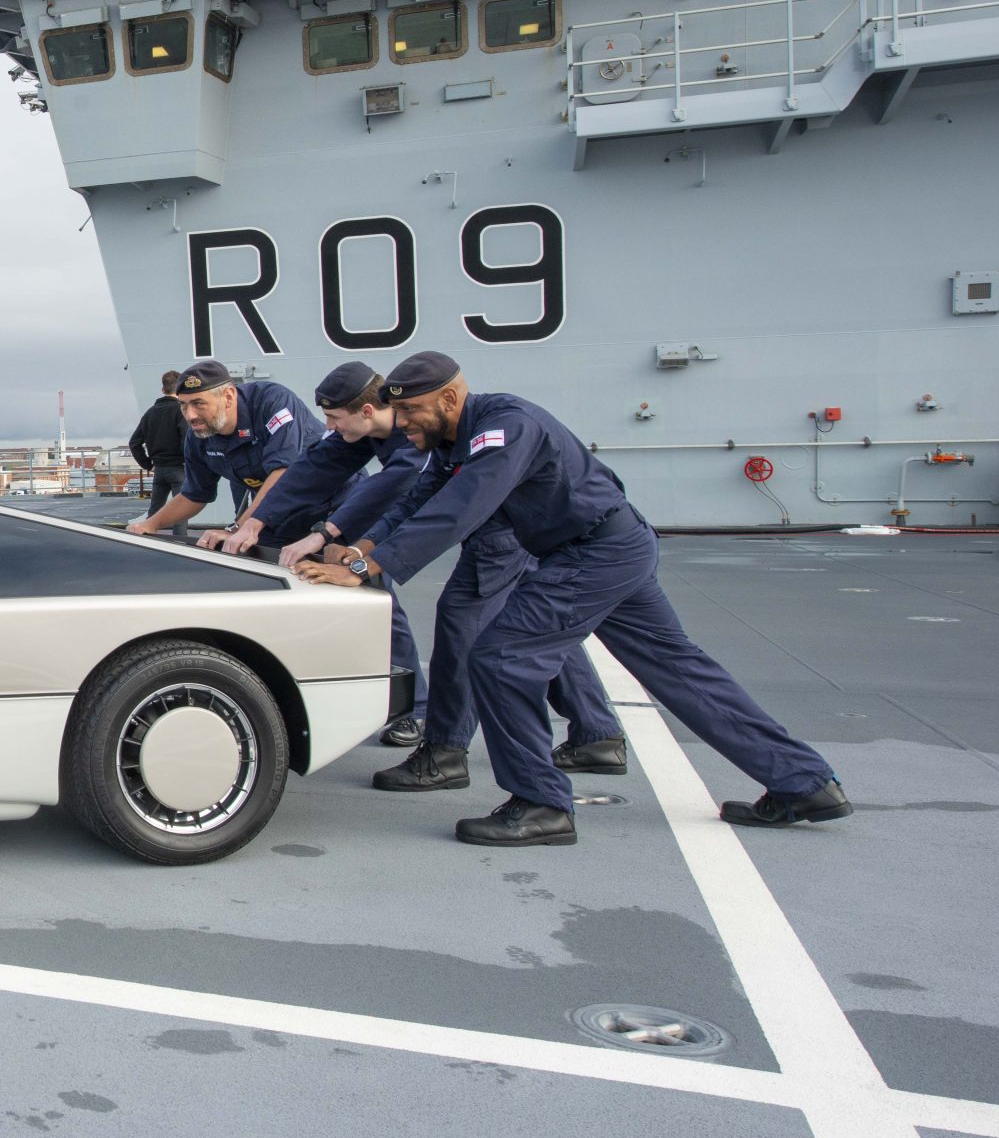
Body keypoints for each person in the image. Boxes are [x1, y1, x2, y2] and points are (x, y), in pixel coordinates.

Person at [299, 352, 849, 846]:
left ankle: (541, 803)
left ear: (450, 398)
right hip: (612, 547)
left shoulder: (504, 428)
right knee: (680, 669)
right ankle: (804, 782)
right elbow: (423, 495)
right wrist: (357, 551)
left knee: (499, 659)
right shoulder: (454, 438)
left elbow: (463, 504)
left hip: (591, 552)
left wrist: (372, 567)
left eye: (414, 411)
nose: (405, 423)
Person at [256, 362, 623, 791]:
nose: (328, 426)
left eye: (336, 418)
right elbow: (379, 488)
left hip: (500, 532)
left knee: (461, 626)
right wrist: (267, 525)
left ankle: (445, 751)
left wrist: (360, 562)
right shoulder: (415, 429)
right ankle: (597, 734)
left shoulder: (446, 428)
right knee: (537, 626)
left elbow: (437, 507)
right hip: (519, 530)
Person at [212, 361, 429, 744]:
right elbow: (308, 470)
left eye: (333, 417)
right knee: (527, 637)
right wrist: (255, 521)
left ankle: (420, 712)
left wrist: (324, 534)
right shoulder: (361, 432)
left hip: (491, 531)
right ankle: (577, 731)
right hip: (369, 520)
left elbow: (392, 487)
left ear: (365, 411)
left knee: (394, 606)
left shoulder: (412, 433)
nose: (328, 425)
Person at [125, 359, 320, 553]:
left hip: (328, 509)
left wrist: (237, 528)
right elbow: (194, 495)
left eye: (199, 403)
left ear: (228, 396)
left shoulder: (272, 402)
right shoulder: (199, 434)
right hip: (276, 516)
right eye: (183, 405)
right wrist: (149, 525)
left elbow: (284, 473)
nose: (190, 415)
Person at [126, 372, 189, 539]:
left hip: (159, 469)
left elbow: (134, 443)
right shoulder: (180, 410)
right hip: (179, 468)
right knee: (181, 512)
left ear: (163, 389)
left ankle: (147, 541)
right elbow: (186, 439)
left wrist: (148, 465)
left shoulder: (150, 413)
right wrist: (188, 461)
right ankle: (180, 546)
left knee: (154, 512)